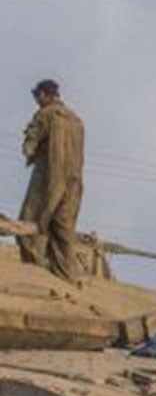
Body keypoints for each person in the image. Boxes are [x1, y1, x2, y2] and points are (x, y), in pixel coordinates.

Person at [19, 80, 84, 281]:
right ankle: (66, 279)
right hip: (73, 184)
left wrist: (30, 150)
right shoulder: (76, 120)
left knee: (28, 227)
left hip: (48, 181)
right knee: (63, 233)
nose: (37, 101)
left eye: (37, 96)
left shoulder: (45, 114)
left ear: (44, 95)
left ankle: (35, 276)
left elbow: (29, 145)